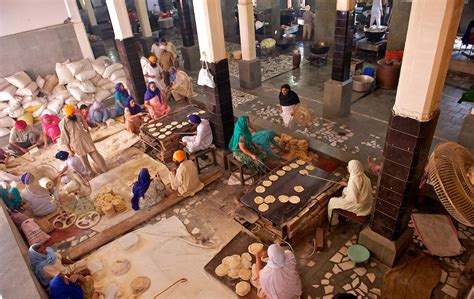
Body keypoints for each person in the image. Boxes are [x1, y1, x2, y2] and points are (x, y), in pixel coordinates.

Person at [59, 105, 108, 176]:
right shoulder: (63, 123)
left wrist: (87, 134)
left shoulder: (78, 116)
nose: (73, 114)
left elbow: (86, 127)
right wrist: (70, 150)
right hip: (76, 143)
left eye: (73, 112)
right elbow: (65, 138)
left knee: (96, 155)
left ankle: (105, 169)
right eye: (71, 114)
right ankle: (91, 175)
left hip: (86, 139)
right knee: (84, 160)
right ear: (67, 115)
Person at [327, 160, 373, 225]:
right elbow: (358, 186)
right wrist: (347, 184)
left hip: (359, 207)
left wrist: (342, 201)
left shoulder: (353, 181)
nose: (347, 167)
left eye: (349, 166)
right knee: (345, 189)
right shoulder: (363, 176)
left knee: (332, 201)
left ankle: (334, 222)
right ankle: (342, 203)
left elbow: (351, 200)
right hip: (366, 204)